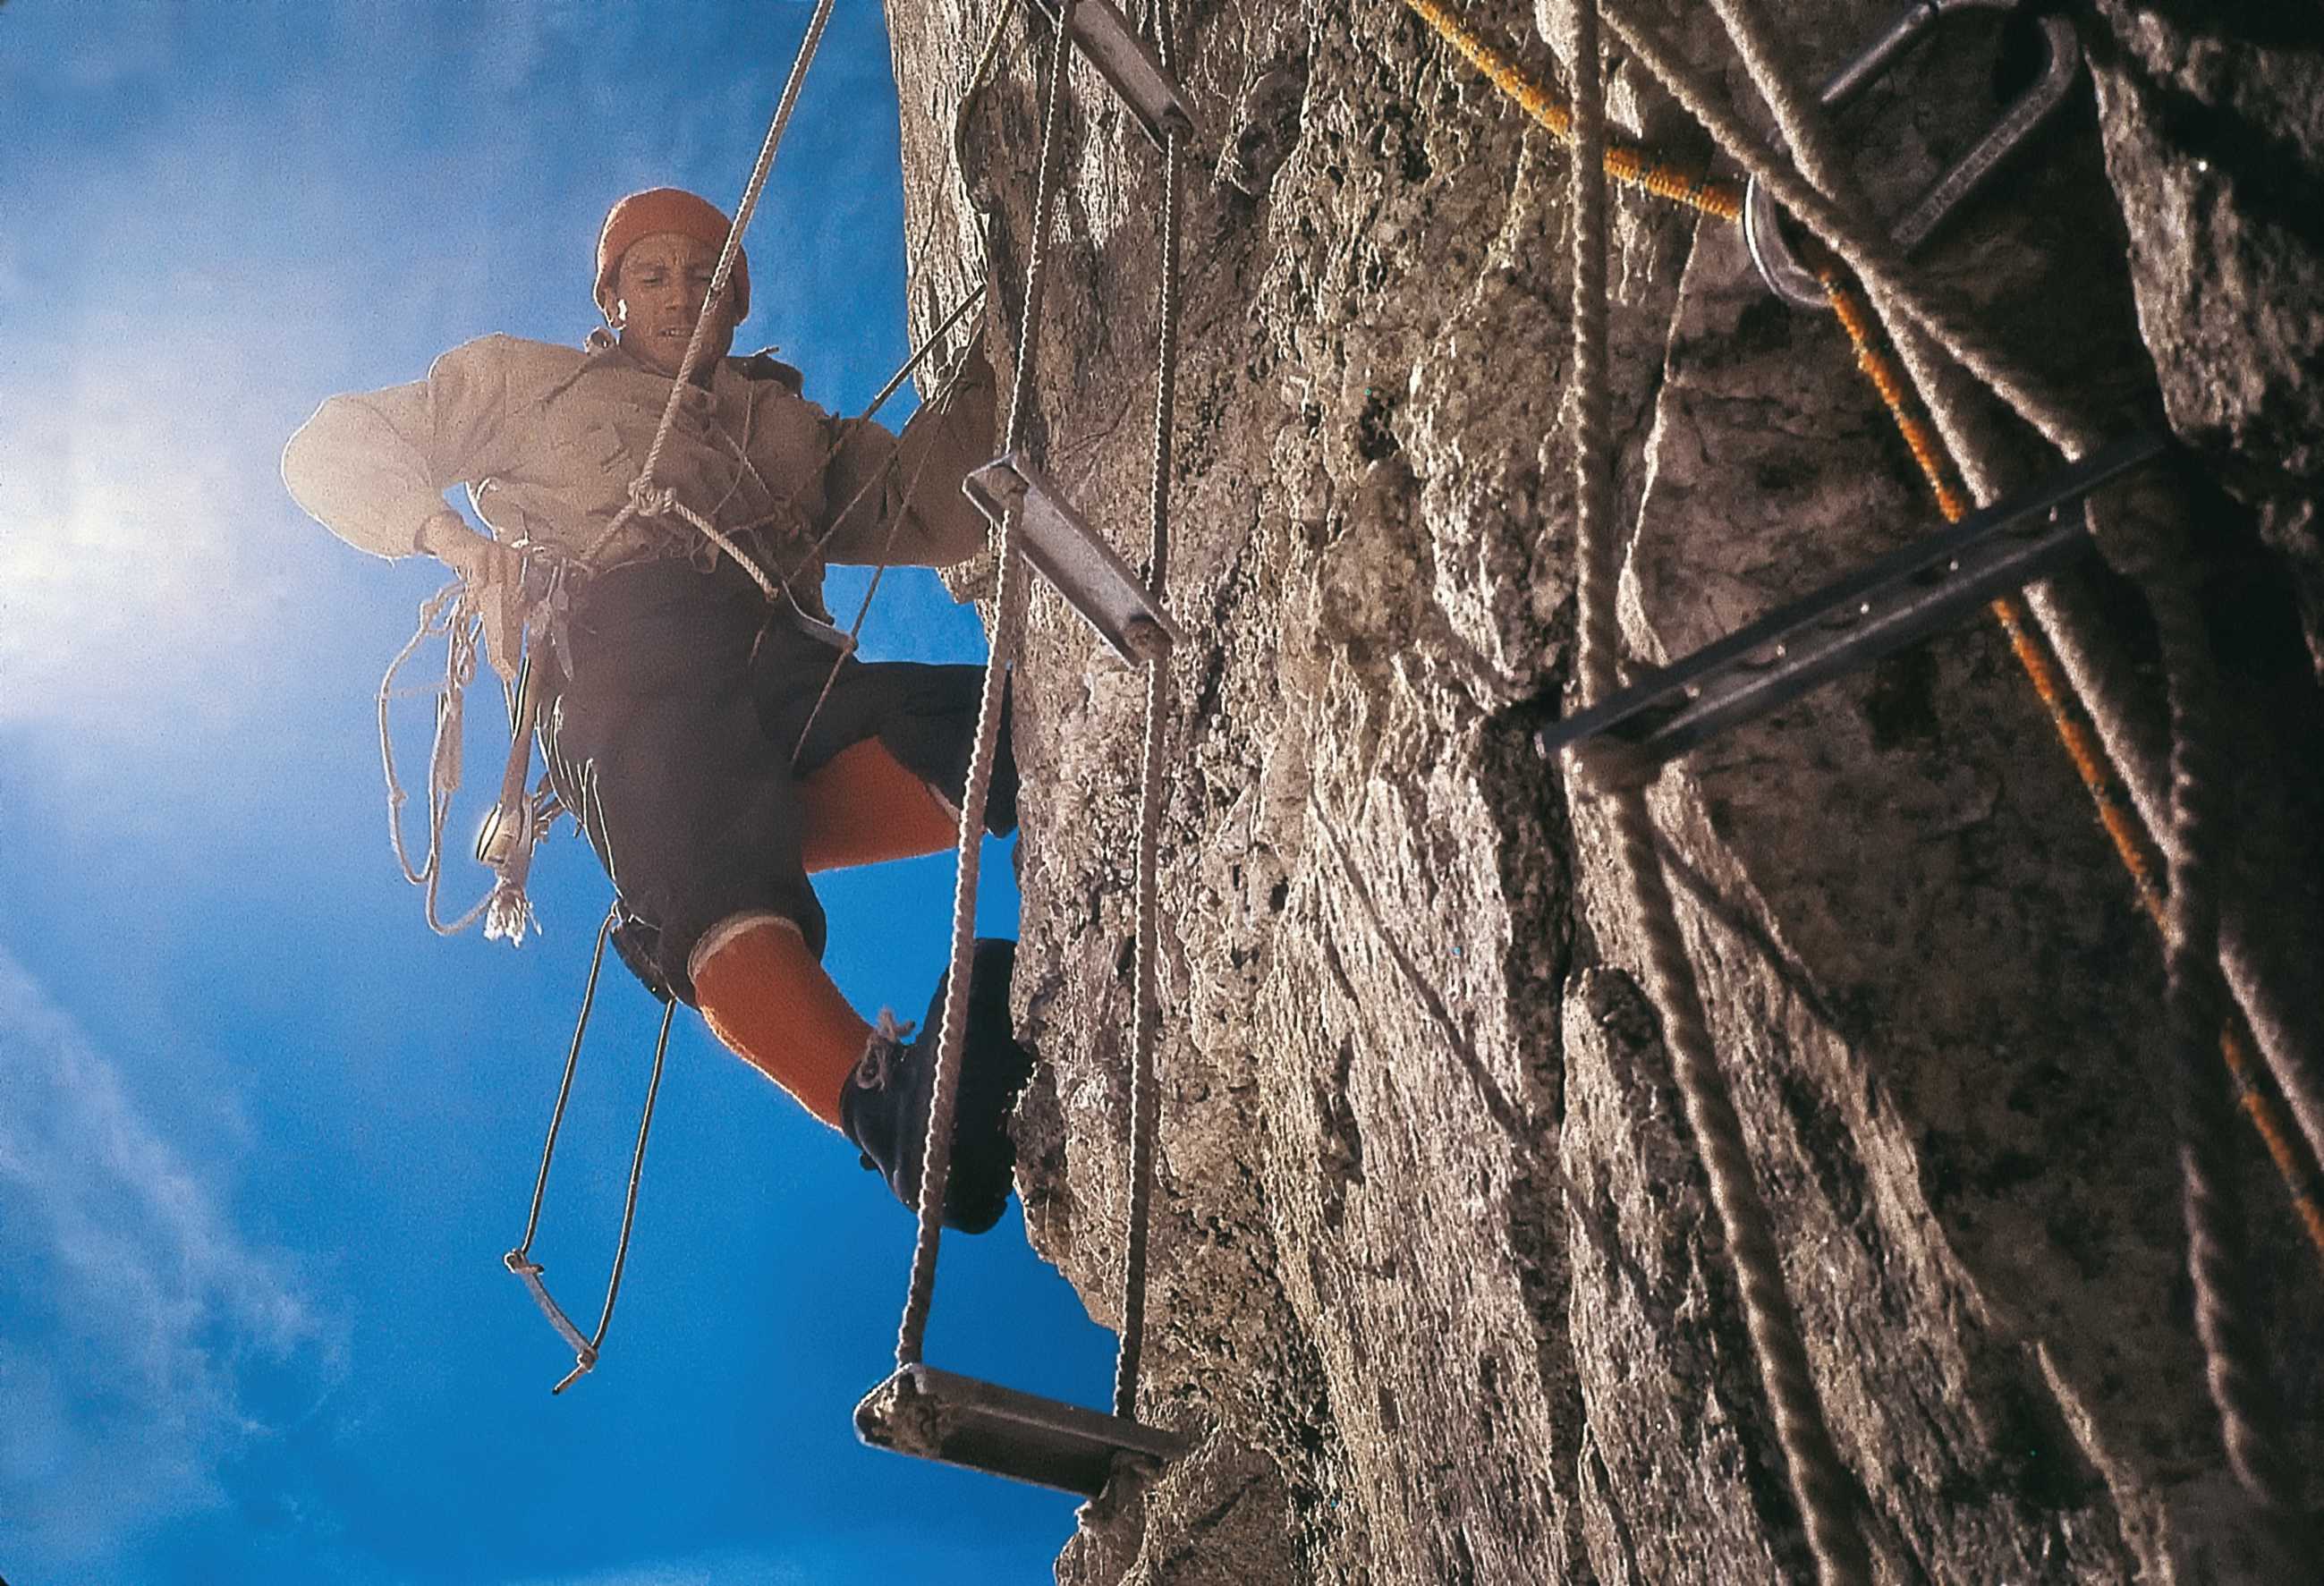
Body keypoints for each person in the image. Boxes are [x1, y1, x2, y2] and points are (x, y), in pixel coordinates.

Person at [284, 188, 1030, 1233]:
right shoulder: (526, 384)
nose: (681, 295)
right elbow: (332, 444)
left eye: (704, 276)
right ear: (612, 296)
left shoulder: (780, 427)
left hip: (779, 659)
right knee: (706, 868)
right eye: (653, 275)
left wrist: (1018, 341)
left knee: (1011, 729)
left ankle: (1052, 976)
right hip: (620, 647)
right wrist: (449, 540)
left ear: (735, 301)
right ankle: (890, 1110)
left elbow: (931, 501)